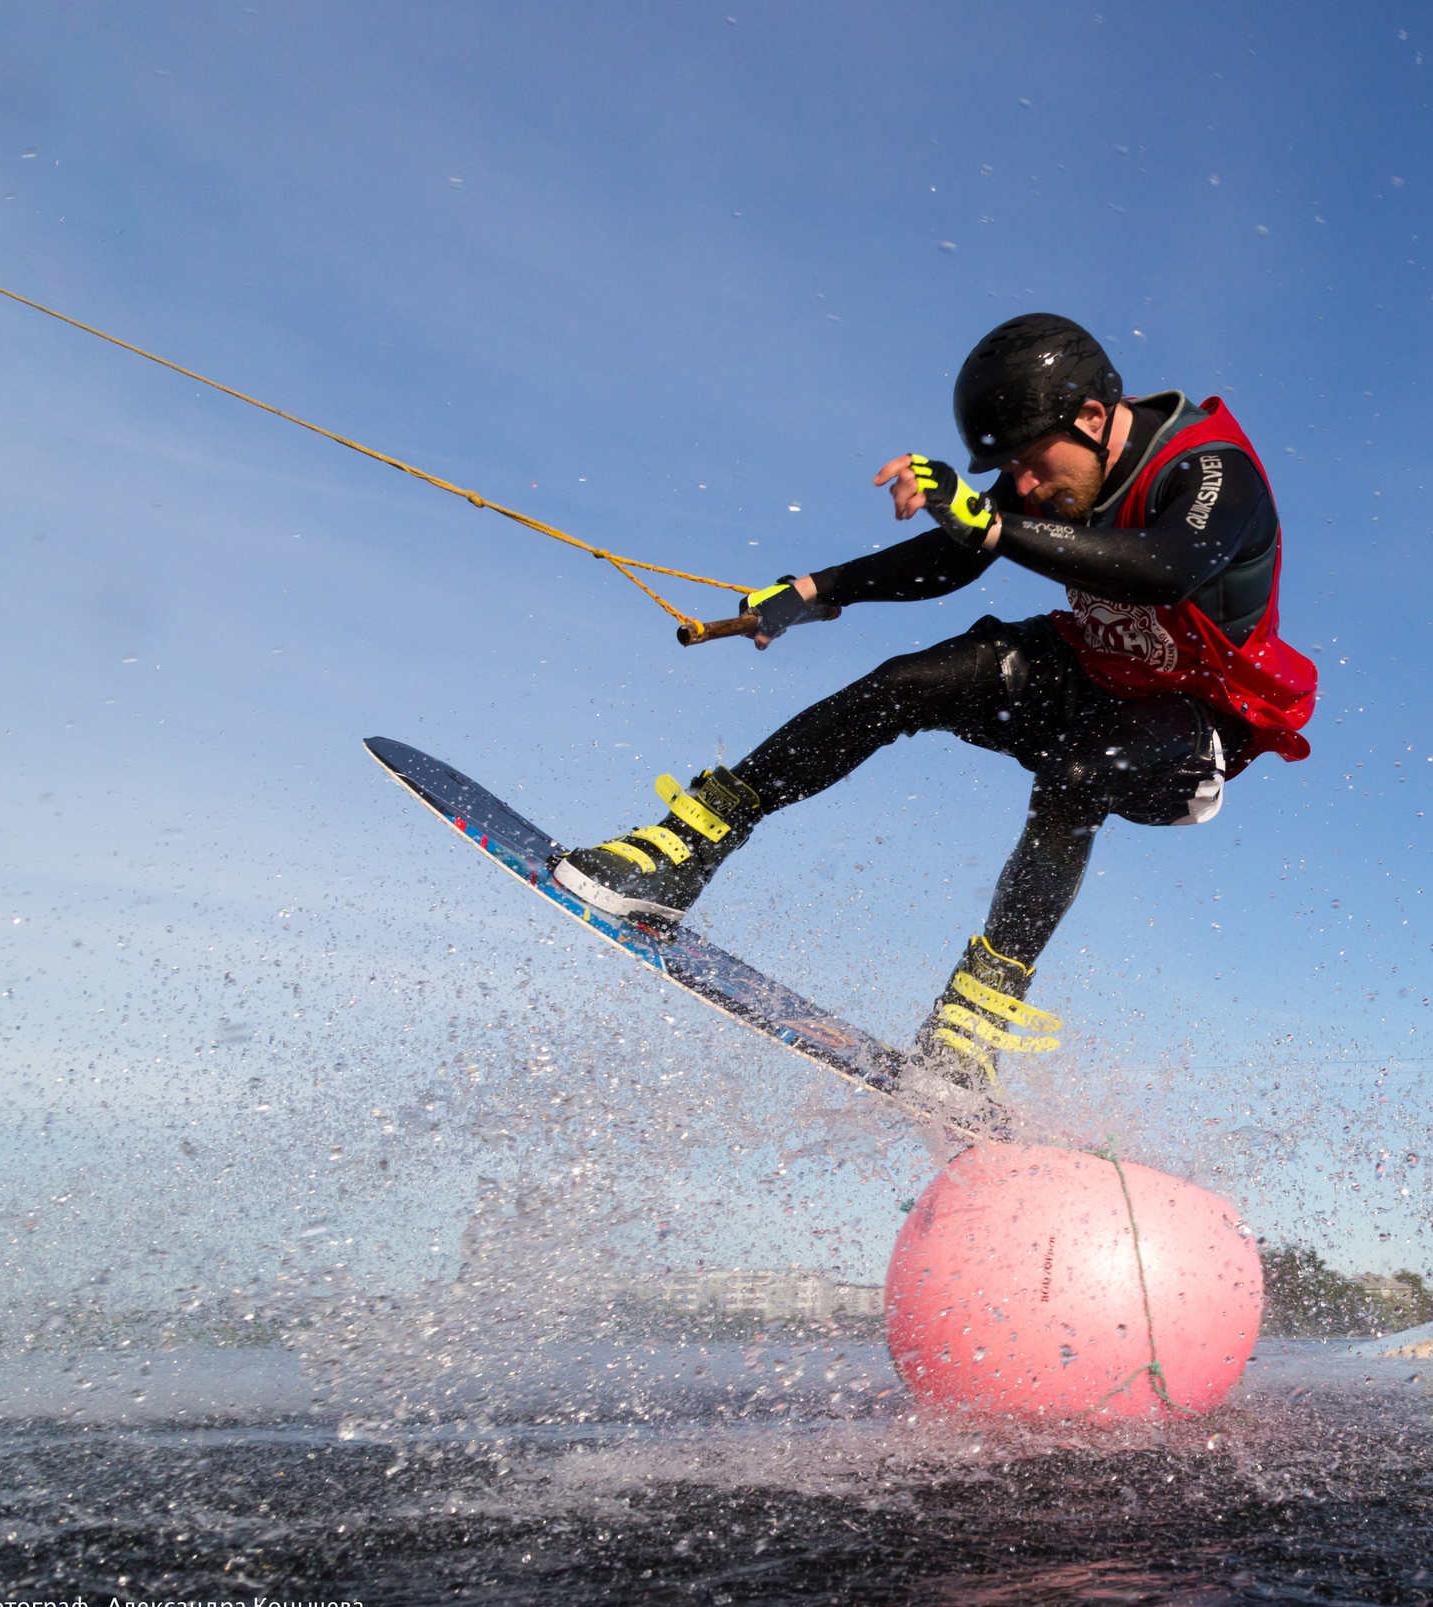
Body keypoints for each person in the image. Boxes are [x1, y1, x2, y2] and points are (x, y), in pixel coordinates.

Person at [553, 314, 1317, 1090]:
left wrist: (989, 524)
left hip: (1193, 730)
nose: (1021, 487)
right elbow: (960, 553)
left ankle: (976, 1019)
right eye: (1005, 471)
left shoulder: (1213, 471)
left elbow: (1164, 567)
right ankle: (687, 851)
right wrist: (816, 592)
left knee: (1078, 774)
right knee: (905, 684)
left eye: (1027, 464)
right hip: (1089, 672)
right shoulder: (1059, 458)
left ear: (1093, 416)